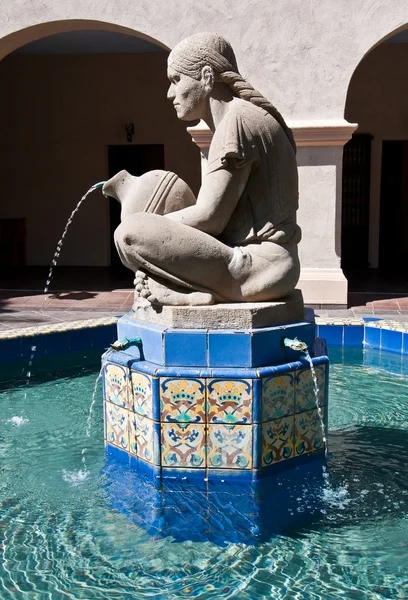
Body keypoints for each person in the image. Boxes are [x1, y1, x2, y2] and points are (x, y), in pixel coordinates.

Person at [108, 32, 301, 307]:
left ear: (207, 77)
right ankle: (188, 288)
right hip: (271, 265)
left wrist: (155, 225)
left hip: (260, 267)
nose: (169, 93)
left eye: (176, 80)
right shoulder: (245, 117)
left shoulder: (237, 122)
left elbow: (210, 217)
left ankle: (190, 292)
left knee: (128, 233)